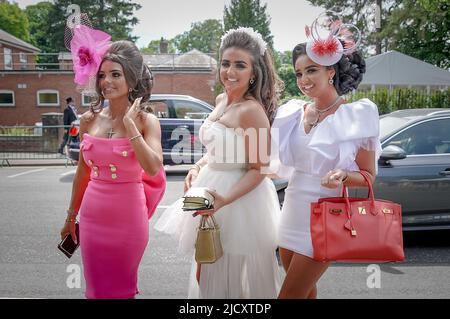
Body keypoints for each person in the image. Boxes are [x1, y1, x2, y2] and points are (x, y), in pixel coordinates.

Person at [155, 27, 283, 298]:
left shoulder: (252, 112)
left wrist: (223, 200)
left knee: (229, 279)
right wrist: (197, 167)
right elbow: (216, 150)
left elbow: (260, 169)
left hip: (239, 202)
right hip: (209, 193)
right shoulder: (221, 100)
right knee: (205, 271)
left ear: (254, 72)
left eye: (240, 65)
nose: (230, 72)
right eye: (226, 64)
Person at [270, 13, 382, 299]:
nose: (304, 79)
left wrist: (344, 176)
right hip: (291, 213)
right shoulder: (293, 113)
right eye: (298, 73)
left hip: (324, 220)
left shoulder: (357, 116)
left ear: (331, 71)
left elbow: (369, 176)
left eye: (312, 70)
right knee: (306, 294)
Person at [59, 21, 166, 299]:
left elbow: (153, 167)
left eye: (115, 74)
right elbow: (83, 171)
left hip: (129, 219)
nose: (106, 82)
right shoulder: (88, 120)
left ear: (131, 78)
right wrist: (71, 216)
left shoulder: (146, 121)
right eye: (103, 75)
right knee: (95, 291)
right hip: (93, 217)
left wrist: (131, 128)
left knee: (122, 289)